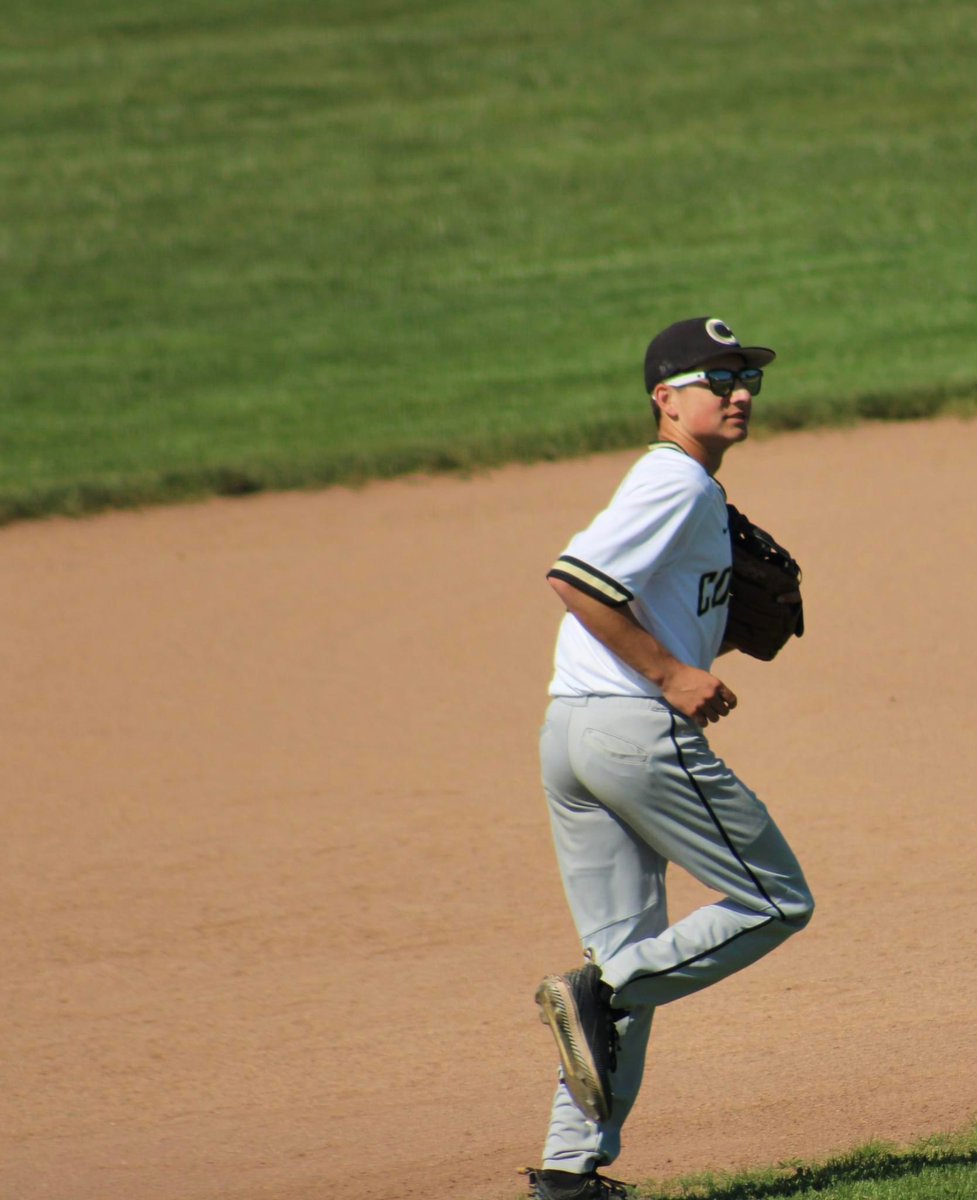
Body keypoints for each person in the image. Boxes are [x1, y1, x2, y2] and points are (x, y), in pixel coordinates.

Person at [524, 317, 815, 1200]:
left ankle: (569, 1175)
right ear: (664, 397)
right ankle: (605, 993)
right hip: (631, 730)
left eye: (745, 380)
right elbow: (574, 576)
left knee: (627, 952)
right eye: (713, 379)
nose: (736, 393)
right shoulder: (673, 480)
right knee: (774, 900)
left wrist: (699, 639)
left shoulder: (687, 490)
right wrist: (673, 672)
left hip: (570, 732)